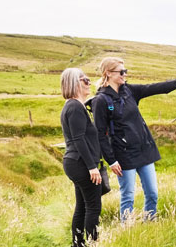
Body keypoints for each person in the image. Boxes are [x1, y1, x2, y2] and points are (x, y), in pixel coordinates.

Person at [91, 57, 176, 221]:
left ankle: (150, 223)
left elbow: (157, 88)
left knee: (152, 193)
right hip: (123, 155)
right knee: (128, 196)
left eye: (126, 71)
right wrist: (111, 161)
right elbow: (100, 134)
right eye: (121, 72)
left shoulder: (129, 91)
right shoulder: (101, 100)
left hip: (144, 150)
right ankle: (127, 231)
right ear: (108, 73)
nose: (125, 74)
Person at [59, 68, 109, 246]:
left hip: (76, 163)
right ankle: (92, 243)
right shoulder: (74, 106)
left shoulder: (75, 106)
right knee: (93, 207)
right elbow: (79, 139)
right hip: (80, 164)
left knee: (82, 206)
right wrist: (92, 167)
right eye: (84, 80)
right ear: (74, 83)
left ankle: (78, 243)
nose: (89, 83)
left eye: (88, 80)